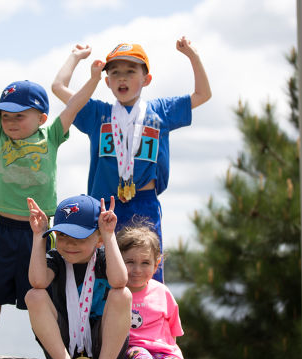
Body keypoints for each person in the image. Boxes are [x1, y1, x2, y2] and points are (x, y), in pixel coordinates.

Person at [0, 47, 105, 358]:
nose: (10, 122)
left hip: (37, 231)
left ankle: (53, 344)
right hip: (4, 228)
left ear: (40, 117)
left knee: (41, 290)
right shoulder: (1, 136)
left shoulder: (51, 135)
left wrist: (93, 76)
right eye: (6, 117)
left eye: (19, 116)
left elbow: (76, 103)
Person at [51, 37, 211, 283]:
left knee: (146, 273)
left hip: (144, 203)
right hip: (103, 207)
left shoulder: (160, 111)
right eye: (115, 73)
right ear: (107, 81)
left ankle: (150, 319)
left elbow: (203, 94)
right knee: (102, 275)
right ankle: (101, 320)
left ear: (146, 79)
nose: (122, 78)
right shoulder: (98, 113)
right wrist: (74, 56)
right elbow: (59, 87)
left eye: (130, 71)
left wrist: (193, 55)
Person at [116, 219, 235, 359]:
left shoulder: (162, 292)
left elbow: (173, 332)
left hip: (164, 350)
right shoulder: (116, 293)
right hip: (134, 348)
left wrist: (175, 357)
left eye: (145, 263)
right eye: (129, 262)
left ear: (156, 264)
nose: (136, 269)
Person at [26, 194, 131, 359]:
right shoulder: (56, 259)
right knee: (34, 295)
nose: (70, 244)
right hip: (64, 348)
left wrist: (109, 236)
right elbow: (38, 280)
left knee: (122, 294)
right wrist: (39, 237)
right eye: (62, 236)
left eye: (80, 237)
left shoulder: (102, 258)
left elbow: (120, 280)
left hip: (103, 347)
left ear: (98, 239)